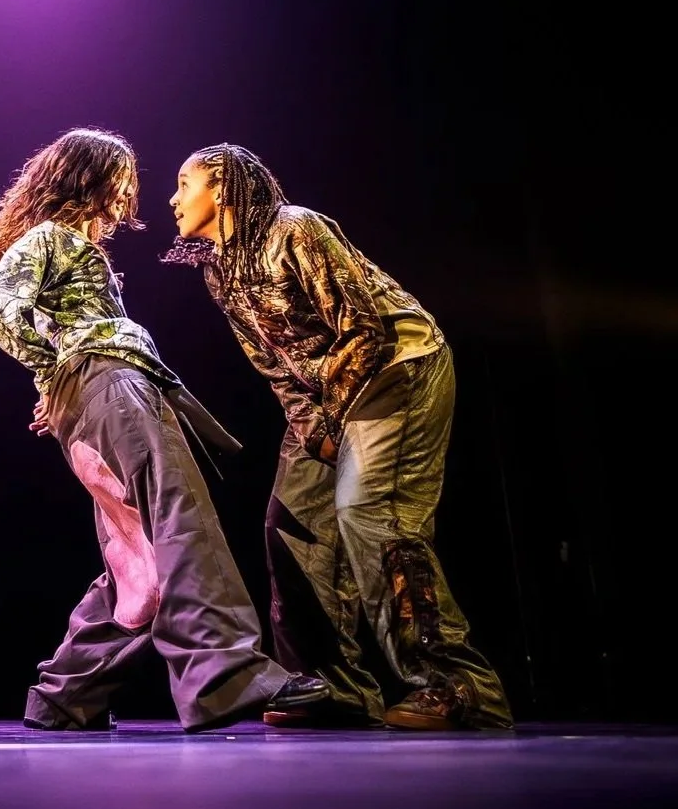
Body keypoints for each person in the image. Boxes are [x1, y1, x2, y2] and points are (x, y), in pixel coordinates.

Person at [0, 127, 330, 732]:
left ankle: (66, 695)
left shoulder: (77, 249)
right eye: (123, 176)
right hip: (111, 387)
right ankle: (227, 675)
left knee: (137, 554)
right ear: (91, 178)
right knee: (177, 521)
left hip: (101, 392)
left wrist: (55, 378)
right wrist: (52, 367)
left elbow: (51, 328)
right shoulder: (53, 237)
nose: (133, 191)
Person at [163, 143, 514, 730]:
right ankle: (334, 687)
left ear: (222, 187)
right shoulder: (219, 270)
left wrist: (330, 423)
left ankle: (458, 684)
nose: (173, 199)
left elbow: (364, 331)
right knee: (292, 528)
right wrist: (313, 428)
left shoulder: (295, 229)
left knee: (371, 514)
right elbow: (276, 367)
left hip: (396, 370)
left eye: (184, 182)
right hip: (327, 402)